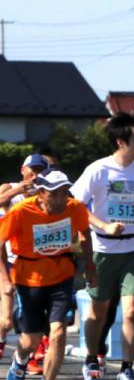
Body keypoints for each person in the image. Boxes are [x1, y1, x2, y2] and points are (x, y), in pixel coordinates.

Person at [71, 112, 134, 380]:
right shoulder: (99, 170)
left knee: (132, 311)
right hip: (104, 249)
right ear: (121, 141)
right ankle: (91, 363)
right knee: (98, 312)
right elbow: (77, 205)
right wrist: (104, 225)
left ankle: (126, 369)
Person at [0, 170, 94, 380]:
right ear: (41, 193)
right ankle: (20, 361)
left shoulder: (75, 208)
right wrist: (4, 279)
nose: (61, 198)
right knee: (31, 340)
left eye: (64, 192)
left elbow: (85, 233)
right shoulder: (22, 211)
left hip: (61, 275)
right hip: (28, 278)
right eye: (55, 193)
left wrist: (90, 266)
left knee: (58, 333)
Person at [0, 153, 49, 363]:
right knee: (6, 320)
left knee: (32, 312)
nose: (35, 174)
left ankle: (35, 354)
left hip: (32, 262)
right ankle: (2, 339)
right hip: (7, 260)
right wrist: (18, 190)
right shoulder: (8, 187)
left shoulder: (45, 193)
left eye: (40, 170)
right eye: (32, 170)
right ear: (23, 170)